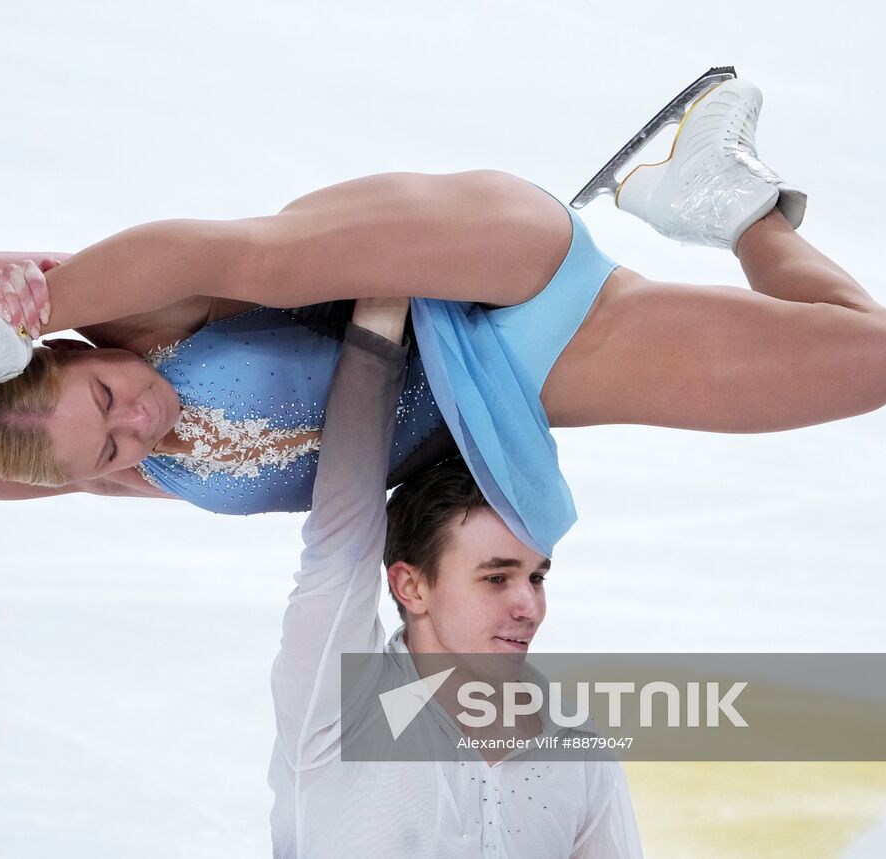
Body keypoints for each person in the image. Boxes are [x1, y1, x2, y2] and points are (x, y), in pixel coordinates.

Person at [0, 75, 886, 556]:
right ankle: (717, 192)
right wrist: (82, 440)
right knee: (880, 359)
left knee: (256, 256)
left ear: (78, 353)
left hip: (454, 255)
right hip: (523, 379)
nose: (141, 426)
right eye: (112, 446)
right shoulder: (110, 471)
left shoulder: (144, 308)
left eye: (111, 397)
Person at [269, 295, 642, 857]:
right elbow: (338, 546)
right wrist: (380, 314)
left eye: (536, 577)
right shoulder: (342, 707)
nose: (529, 606)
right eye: (495, 578)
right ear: (410, 586)